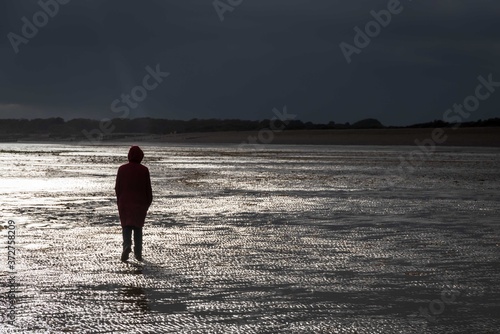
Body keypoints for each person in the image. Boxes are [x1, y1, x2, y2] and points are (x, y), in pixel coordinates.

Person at [115, 146, 153, 262]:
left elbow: (117, 187)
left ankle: (126, 246)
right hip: (139, 202)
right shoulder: (144, 170)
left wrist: (119, 201)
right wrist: (148, 202)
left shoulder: (122, 169)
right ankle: (138, 253)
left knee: (126, 226)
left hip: (124, 202)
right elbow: (148, 189)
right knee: (137, 227)